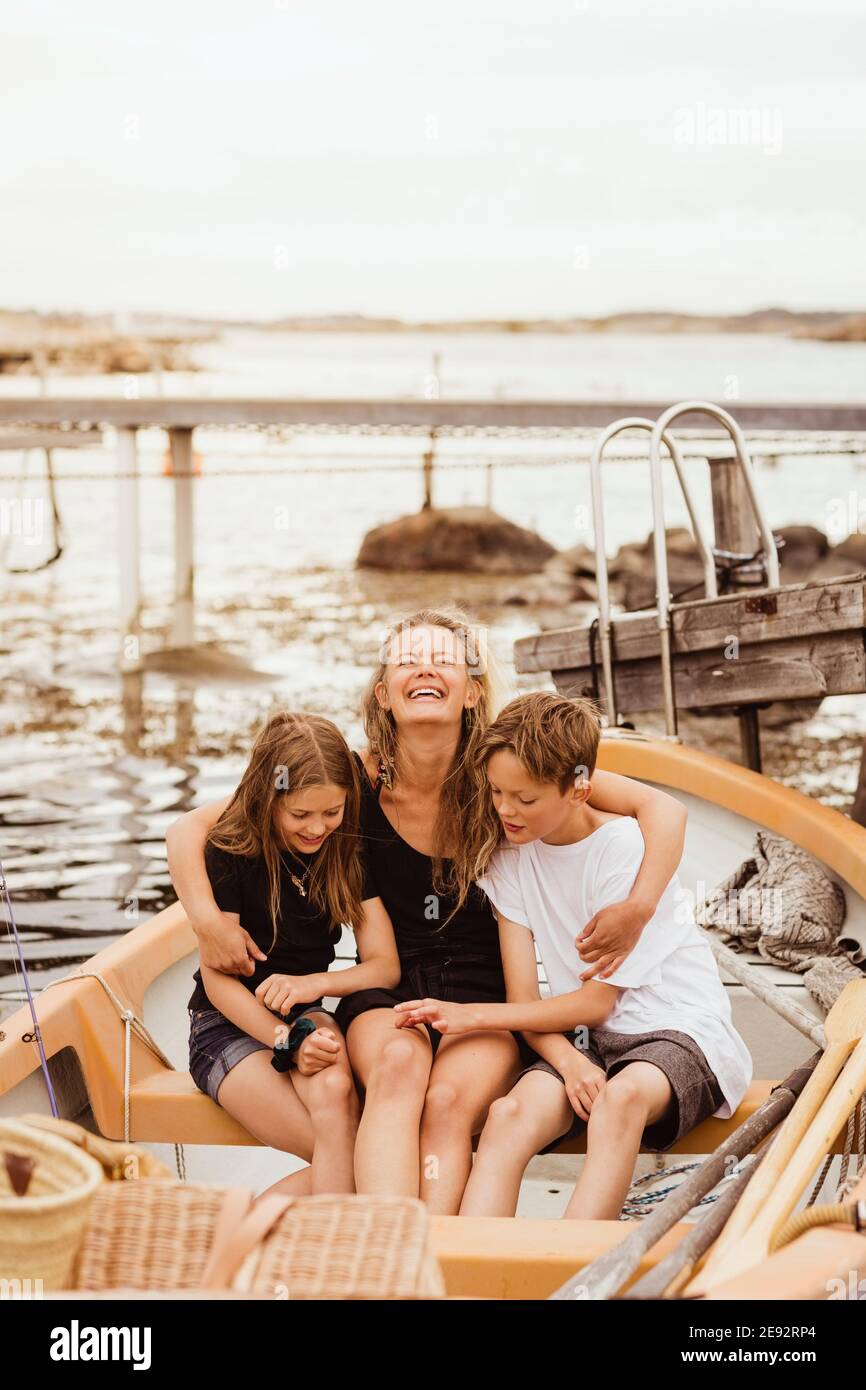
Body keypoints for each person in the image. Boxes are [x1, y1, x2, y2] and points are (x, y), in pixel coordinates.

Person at [168, 608, 688, 1213]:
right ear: (383, 694)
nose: (426, 669)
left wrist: (638, 907)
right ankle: (393, 1249)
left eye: (444, 660)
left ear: (472, 691)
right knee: (393, 1072)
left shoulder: (503, 776)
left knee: (444, 1104)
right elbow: (190, 828)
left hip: (482, 995)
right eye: (408, 659)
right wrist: (206, 920)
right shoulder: (353, 781)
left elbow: (664, 812)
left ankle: (424, 1257)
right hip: (388, 988)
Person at [395, 691, 752, 1219]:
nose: (504, 810)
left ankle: (579, 1278)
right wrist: (567, 1062)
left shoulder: (624, 849)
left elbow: (595, 1003)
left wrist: (467, 1017)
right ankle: (473, 1273)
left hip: (675, 1028)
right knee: (509, 1114)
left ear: (579, 788)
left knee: (618, 1101)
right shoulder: (508, 858)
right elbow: (525, 999)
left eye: (526, 799)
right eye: (496, 792)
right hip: (583, 1039)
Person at [184, 711, 399, 1196]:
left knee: (337, 1091)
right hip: (225, 1025)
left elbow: (384, 966)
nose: (317, 828)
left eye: (332, 812)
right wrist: (286, 1041)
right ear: (267, 797)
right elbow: (218, 984)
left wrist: (313, 987)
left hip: (304, 1011)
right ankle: (243, 1249)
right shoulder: (230, 851)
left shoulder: (346, 852)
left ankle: (269, 1251)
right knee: (354, 1162)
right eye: (300, 815)